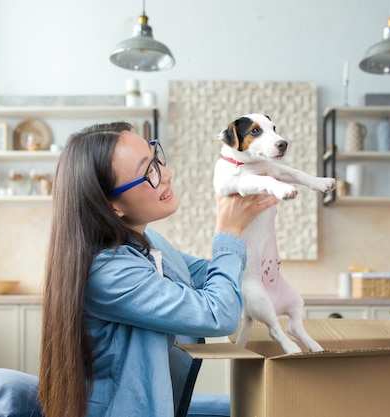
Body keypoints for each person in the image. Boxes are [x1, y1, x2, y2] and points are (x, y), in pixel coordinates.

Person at [38, 121, 277, 417]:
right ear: (112, 206)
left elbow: (212, 277)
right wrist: (228, 231)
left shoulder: (149, 243)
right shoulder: (107, 273)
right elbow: (218, 314)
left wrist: (249, 228)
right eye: (148, 172)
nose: (167, 174)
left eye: (156, 158)